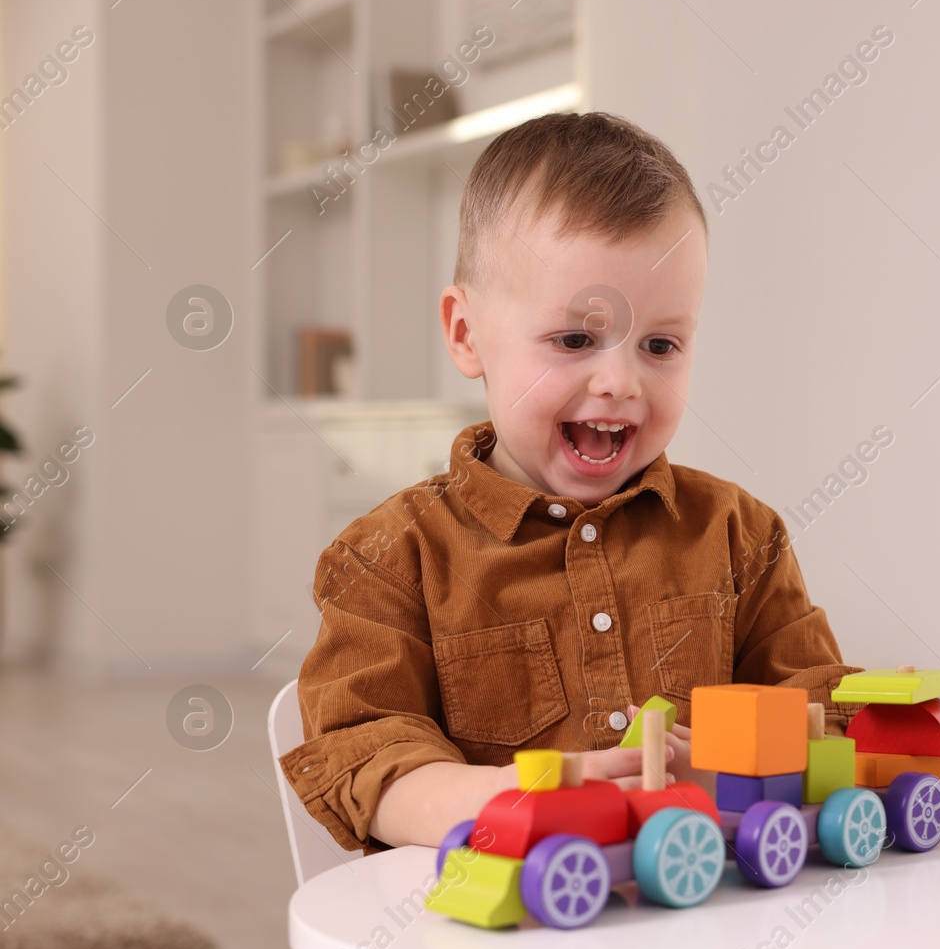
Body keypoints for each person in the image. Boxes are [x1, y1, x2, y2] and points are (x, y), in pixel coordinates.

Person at [278, 112, 862, 852]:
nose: (619, 381)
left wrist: (726, 772)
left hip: (702, 922)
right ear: (466, 334)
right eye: (575, 340)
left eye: (661, 344)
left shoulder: (739, 535)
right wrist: (508, 796)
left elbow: (824, 706)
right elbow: (363, 754)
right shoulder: (390, 559)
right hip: (490, 943)